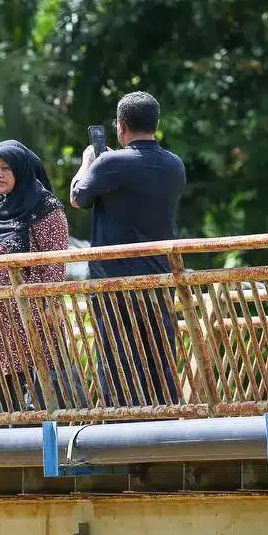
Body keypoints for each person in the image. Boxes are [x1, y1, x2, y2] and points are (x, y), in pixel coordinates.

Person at [70, 91, 187, 408]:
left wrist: (88, 162)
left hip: (115, 280)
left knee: (117, 356)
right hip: (159, 277)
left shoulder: (110, 163)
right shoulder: (174, 165)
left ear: (121, 125)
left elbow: (79, 197)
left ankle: (122, 421)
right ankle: (164, 415)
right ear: (156, 123)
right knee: (158, 351)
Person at [0, 140, 86, 413]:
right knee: (3, 400)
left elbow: (54, 264)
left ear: (21, 169)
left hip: (33, 319)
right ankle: (9, 451)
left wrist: (47, 306)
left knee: (43, 396)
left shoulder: (44, 207)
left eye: (6, 167)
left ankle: (52, 449)